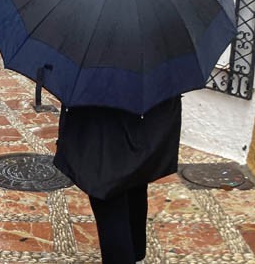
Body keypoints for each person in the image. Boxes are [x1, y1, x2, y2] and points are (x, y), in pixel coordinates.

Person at [53, 96, 182, 264]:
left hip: (103, 124)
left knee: (107, 195)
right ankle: (135, 251)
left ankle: (129, 254)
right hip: (143, 118)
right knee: (134, 182)